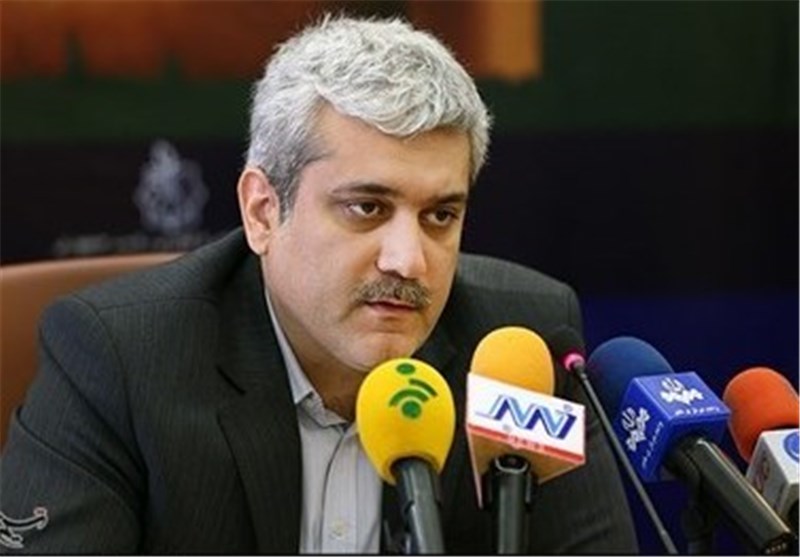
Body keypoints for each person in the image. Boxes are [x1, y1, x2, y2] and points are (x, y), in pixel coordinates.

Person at [0, 14, 638, 554]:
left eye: (440, 216)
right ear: (262, 212)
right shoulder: (118, 360)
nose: (408, 261)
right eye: (367, 208)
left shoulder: (517, 347)